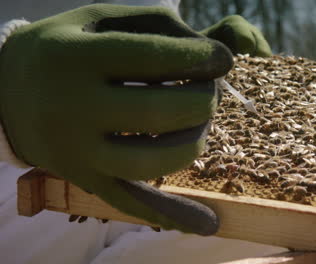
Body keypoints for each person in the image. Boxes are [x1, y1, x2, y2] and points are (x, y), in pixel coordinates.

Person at [0, 1, 283, 263]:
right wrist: (8, 92)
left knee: (274, 232)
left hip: (163, 137)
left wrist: (181, 52)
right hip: (18, 179)